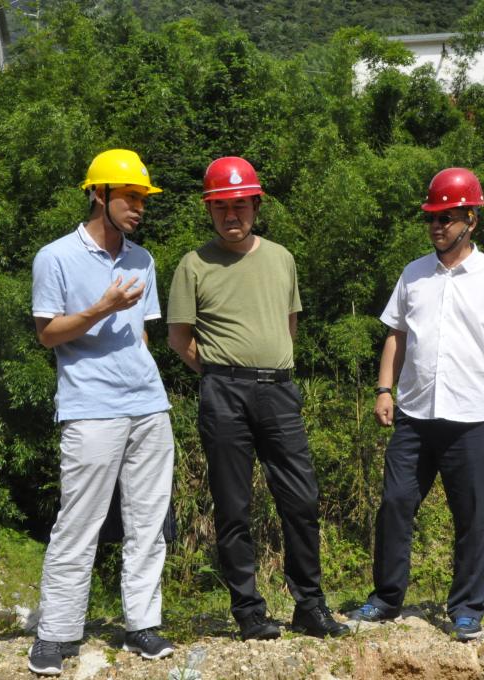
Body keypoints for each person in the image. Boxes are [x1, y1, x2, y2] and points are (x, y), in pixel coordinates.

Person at [166, 156, 348, 641]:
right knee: (233, 506)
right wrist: (223, 372)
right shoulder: (193, 264)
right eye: (221, 207)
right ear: (209, 210)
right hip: (223, 392)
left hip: (279, 390)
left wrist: (267, 368)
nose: (232, 216)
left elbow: (288, 324)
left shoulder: (282, 258)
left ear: (256, 206)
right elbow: (179, 339)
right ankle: (248, 612)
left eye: (240, 206)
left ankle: (309, 606)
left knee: (302, 499)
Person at [349, 167, 484, 642]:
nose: (436, 226)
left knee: (471, 515)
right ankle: (387, 598)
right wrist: (383, 389)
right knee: (395, 504)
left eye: (446, 218)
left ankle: (467, 607)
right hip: (414, 415)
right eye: (431, 217)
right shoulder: (414, 274)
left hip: (471, 418)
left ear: (471, 220)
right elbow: (397, 335)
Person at [29, 149, 176, 675]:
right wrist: (99, 309)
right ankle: (56, 633)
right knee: (79, 521)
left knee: (149, 523)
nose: (139, 207)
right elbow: (48, 334)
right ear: (99, 194)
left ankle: (142, 625)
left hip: (149, 404)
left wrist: (145, 377)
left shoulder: (143, 260)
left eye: (142, 198)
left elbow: (141, 333)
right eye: (130, 197)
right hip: (90, 407)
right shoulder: (55, 257)